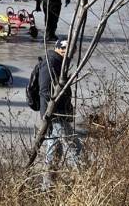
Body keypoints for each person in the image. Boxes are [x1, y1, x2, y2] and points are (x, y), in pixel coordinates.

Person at [37, 39, 82, 189]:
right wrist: (47, 116)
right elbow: (44, 91)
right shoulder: (50, 64)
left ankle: (48, 185)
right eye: (70, 51)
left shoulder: (59, 62)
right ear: (62, 49)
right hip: (54, 115)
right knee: (73, 146)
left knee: (55, 148)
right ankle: (84, 180)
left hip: (58, 113)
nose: (72, 55)